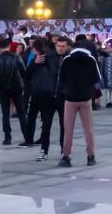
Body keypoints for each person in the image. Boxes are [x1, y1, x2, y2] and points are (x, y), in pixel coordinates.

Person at [55, 35, 101, 167]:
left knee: (68, 129)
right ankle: (90, 156)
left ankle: (66, 156)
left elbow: (61, 80)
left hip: (70, 98)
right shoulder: (91, 60)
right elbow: (96, 79)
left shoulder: (67, 60)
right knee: (88, 129)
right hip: (85, 98)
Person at [0, 36, 30, 147]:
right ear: (9, 46)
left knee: (5, 114)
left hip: (2, 90)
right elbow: (23, 73)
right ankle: (27, 136)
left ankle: (7, 137)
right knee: (21, 113)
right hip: (17, 88)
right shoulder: (16, 58)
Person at [26, 40, 61, 162]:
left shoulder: (53, 57)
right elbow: (28, 75)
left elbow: (55, 73)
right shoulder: (37, 59)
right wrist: (34, 64)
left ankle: (61, 150)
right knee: (46, 124)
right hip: (43, 94)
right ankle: (44, 150)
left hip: (53, 94)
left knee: (57, 124)